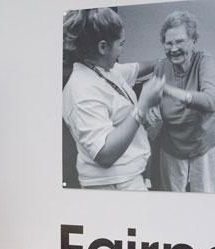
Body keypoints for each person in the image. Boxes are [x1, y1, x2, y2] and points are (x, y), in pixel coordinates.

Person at [62, 8, 164, 190]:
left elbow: (138, 68)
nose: (122, 50)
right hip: (112, 185)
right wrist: (143, 105)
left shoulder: (105, 70)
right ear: (103, 47)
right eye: (121, 44)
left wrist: (166, 60)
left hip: (127, 177)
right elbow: (105, 154)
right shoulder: (81, 88)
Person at [154, 11, 215, 193]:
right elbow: (155, 105)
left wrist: (174, 92)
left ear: (193, 41)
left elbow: (213, 101)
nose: (173, 48)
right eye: (168, 43)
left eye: (179, 41)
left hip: (203, 142)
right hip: (171, 145)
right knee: (172, 203)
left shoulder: (203, 60)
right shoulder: (161, 66)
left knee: (205, 200)